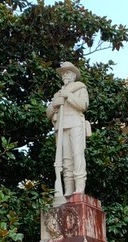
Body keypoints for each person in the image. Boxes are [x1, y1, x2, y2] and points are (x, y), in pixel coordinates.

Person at [46, 62, 90, 196]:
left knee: (77, 155)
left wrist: (68, 96)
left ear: (74, 74)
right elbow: (48, 113)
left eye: (67, 72)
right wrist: (55, 105)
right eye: (63, 73)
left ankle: (79, 186)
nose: (65, 75)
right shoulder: (57, 94)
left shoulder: (80, 89)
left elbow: (83, 105)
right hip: (61, 125)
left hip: (75, 122)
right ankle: (68, 188)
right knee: (65, 159)